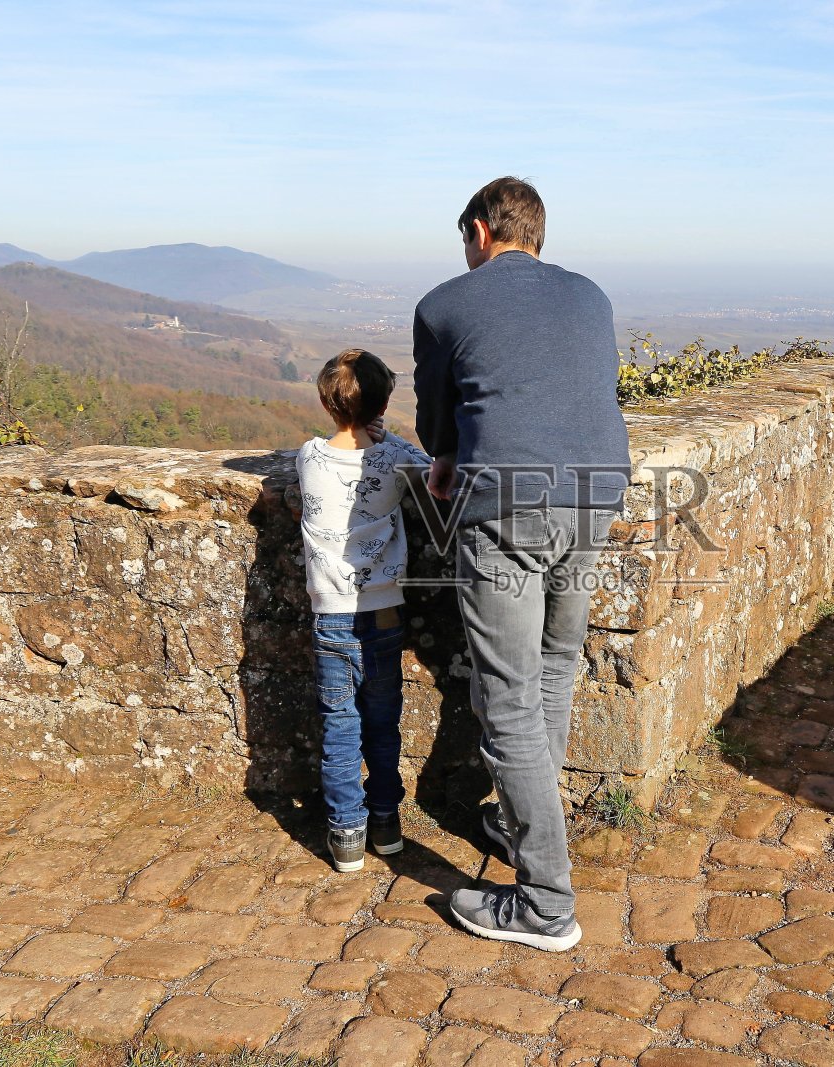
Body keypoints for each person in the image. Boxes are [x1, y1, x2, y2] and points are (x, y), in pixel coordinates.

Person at [413, 176, 631, 951]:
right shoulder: (592, 296)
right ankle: (516, 826)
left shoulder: (445, 305)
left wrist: (443, 459)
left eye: (464, 240)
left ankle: (544, 902)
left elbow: (438, 420)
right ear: (534, 234)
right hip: (596, 491)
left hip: (506, 502)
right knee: (555, 664)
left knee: (507, 701)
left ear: (481, 231)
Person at [296, 348, 430, 872]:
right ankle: (387, 823)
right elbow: (427, 471)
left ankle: (346, 834)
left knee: (339, 725)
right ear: (383, 402)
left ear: (327, 403)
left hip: (330, 614)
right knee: (382, 722)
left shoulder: (309, 456)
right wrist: (387, 433)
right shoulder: (393, 456)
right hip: (384, 614)